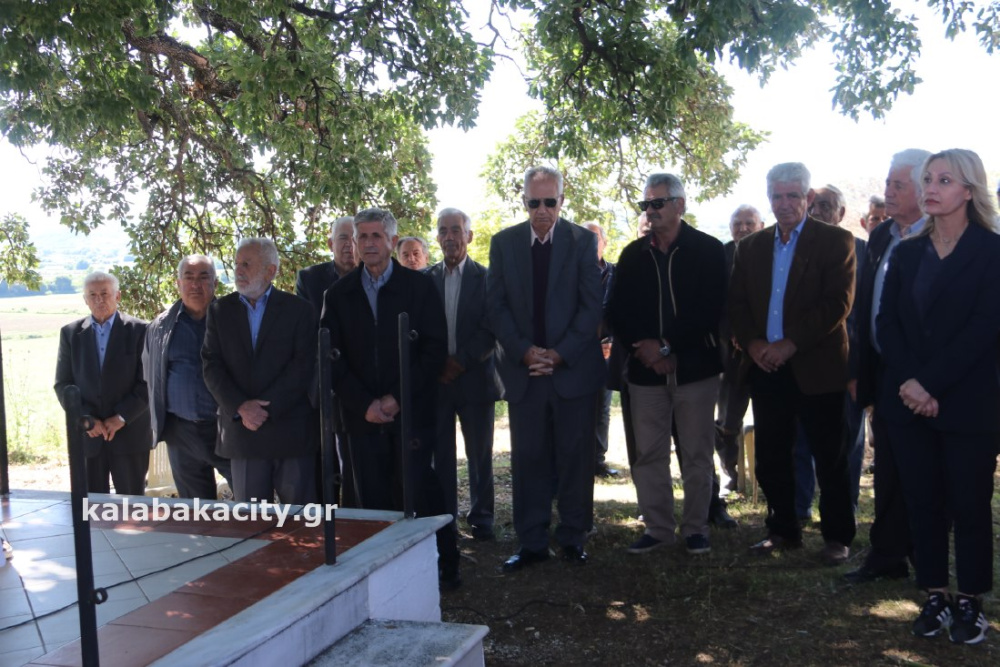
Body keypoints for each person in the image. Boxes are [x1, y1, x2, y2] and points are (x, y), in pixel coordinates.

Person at [876, 149, 1000, 644]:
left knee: (969, 505)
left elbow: (985, 328)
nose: (931, 187)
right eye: (927, 178)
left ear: (969, 190)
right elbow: (887, 323)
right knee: (921, 503)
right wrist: (912, 384)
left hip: (968, 404)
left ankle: (970, 601)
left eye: (944, 180)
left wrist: (930, 384)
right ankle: (935, 595)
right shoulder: (906, 252)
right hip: (908, 404)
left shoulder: (992, 251)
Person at [321, 207, 459, 588]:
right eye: (361, 237)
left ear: (392, 241)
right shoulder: (338, 295)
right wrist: (364, 404)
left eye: (375, 236)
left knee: (420, 490)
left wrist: (397, 398)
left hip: (411, 413)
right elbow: (331, 358)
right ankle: (384, 575)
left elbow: (433, 350)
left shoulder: (419, 288)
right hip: (361, 418)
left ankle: (442, 566)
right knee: (372, 499)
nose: (368, 244)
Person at [728, 162, 856, 566]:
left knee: (830, 457)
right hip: (766, 367)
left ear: (808, 197)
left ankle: (837, 537)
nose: (784, 204)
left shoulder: (836, 241)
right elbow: (737, 304)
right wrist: (753, 344)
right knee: (771, 456)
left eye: (793, 196)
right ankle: (782, 529)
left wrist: (790, 344)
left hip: (819, 367)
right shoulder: (751, 247)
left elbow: (837, 303)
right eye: (777, 196)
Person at [487, 166, 605, 571]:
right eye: (534, 202)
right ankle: (532, 541)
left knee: (575, 458)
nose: (542, 210)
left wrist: (559, 354)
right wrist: (525, 353)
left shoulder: (582, 241)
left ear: (561, 200)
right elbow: (495, 307)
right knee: (528, 460)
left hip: (572, 371)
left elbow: (591, 307)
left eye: (549, 201)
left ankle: (573, 537)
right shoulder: (503, 243)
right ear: (524, 201)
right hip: (526, 373)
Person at [609, 173, 727, 555]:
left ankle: (696, 528)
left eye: (657, 203)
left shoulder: (708, 250)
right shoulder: (633, 255)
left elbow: (710, 310)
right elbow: (618, 311)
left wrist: (668, 346)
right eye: (646, 204)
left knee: (696, 453)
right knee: (648, 455)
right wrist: (645, 351)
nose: (650, 210)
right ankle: (658, 529)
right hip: (646, 373)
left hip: (695, 370)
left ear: (680, 204)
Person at [844, 149, 930, 585]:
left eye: (899, 185)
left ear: (923, 188)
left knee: (923, 470)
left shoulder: (940, 234)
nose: (888, 192)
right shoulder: (881, 236)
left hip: (926, 376)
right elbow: (864, 309)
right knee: (889, 467)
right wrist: (859, 370)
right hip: (883, 369)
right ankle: (888, 555)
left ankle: (925, 558)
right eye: (888, 183)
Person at [202, 238, 318, 505]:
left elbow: (303, 366)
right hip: (243, 434)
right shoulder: (220, 311)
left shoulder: (299, 310)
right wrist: (241, 407)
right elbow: (211, 365)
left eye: (246, 264)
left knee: (300, 520)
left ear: (270, 271)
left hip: (289, 430)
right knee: (250, 521)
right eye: (236, 264)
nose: (238, 270)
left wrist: (265, 408)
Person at [428, 207, 500, 542]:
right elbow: (420, 330)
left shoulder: (486, 278)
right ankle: (445, 519)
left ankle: (482, 519)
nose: (450, 237)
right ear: (437, 237)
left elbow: (490, 328)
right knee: (441, 455)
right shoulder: (425, 280)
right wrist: (438, 365)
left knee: (479, 455)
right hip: (438, 383)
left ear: (469, 236)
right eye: (443, 231)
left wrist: (459, 362)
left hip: (476, 381)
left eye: (456, 230)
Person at [795, 185, 867, 519]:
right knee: (799, 440)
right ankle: (799, 507)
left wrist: (860, 366)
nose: (817, 211)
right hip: (802, 361)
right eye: (813, 205)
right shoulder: (795, 249)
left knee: (847, 442)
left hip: (847, 364)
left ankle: (843, 509)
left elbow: (866, 313)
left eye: (826, 205)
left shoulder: (863, 250)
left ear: (841, 213)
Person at [143, 255, 233, 500]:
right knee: (196, 510)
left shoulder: (234, 320)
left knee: (250, 501)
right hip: (181, 433)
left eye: (203, 277)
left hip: (229, 429)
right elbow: (150, 375)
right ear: (178, 283)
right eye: (189, 277)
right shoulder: (160, 327)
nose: (195, 284)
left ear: (215, 282)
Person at [55, 271, 151, 495]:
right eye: (93, 295)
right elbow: (63, 384)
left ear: (117, 296)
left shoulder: (141, 331)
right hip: (89, 436)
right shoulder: (71, 334)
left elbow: (148, 382)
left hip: (130, 435)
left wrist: (121, 417)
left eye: (105, 294)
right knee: (92, 506)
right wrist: (86, 419)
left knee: (132, 505)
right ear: (85, 299)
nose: (99, 300)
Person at [715, 204, 764, 490]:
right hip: (729, 353)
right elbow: (714, 303)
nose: (743, 228)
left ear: (761, 226)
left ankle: (766, 475)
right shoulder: (720, 256)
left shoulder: (773, 253)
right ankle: (730, 472)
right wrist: (733, 333)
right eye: (738, 223)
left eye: (749, 223)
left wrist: (753, 335)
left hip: (765, 352)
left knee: (770, 417)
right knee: (727, 419)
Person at [583, 221, 619, 479]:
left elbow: (620, 311)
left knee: (602, 408)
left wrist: (611, 341)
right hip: (576, 352)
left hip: (606, 351)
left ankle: (597, 459)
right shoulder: (570, 274)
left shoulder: (615, 273)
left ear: (604, 243)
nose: (590, 243)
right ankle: (578, 459)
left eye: (594, 238)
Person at [296, 216, 356, 314]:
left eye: (355, 238)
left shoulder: (373, 278)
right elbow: (303, 321)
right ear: (331, 244)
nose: (350, 244)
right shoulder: (308, 279)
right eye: (343, 238)